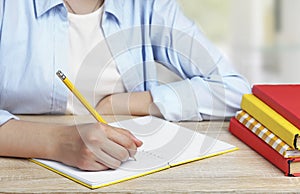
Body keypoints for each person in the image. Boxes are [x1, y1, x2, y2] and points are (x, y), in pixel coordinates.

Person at [0, 0, 251, 171]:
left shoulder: (149, 6)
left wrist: (129, 102)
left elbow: (234, 90)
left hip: (123, 171)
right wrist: (58, 142)